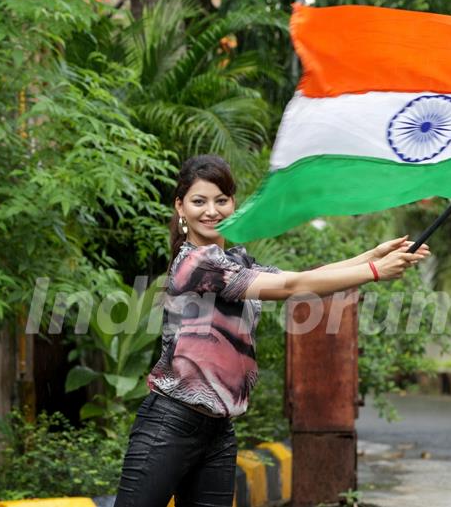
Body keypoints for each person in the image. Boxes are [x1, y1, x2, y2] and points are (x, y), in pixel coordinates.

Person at [113, 154, 430, 507]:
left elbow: (299, 279)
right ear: (180, 207)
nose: (211, 210)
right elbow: (292, 287)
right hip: (169, 425)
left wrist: (370, 255)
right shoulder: (197, 262)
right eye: (198, 201)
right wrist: (373, 270)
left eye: (221, 200)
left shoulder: (237, 262)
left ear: (234, 204)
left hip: (219, 431)